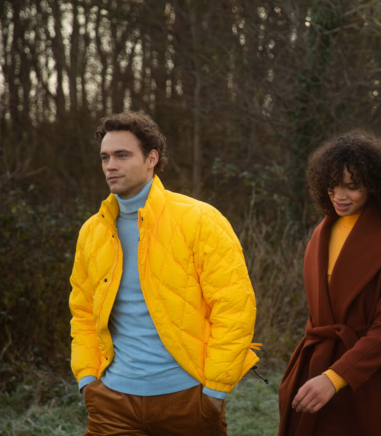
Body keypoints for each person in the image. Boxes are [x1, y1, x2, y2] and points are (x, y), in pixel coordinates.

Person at [69, 111, 259, 435]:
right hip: (112, 404)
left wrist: (214, 392)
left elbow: (234, 309)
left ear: (151, 159)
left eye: (122, 155)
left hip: (187, 400)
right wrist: (88, 380)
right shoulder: (93, 232)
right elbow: (83, 312)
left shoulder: (200, 220)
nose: (110, 165)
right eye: (105, 157)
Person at [278, 129, 381, 435]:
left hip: (369, 376)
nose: (339, 196)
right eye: (332, 186)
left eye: (352, 187)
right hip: (313, 364)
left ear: (375, 185)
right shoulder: (323, 230)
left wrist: (334, 378)